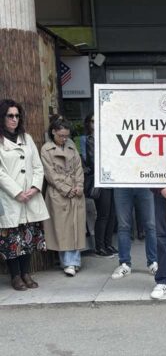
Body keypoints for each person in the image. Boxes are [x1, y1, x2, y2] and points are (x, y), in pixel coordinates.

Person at [0, 99, 49, 290]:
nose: (14, 119)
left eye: (17, 116)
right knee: (12, 239)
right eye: (10, 116)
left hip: (30, 197)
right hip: (9, 198)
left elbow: (38, 166)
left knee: (28, 236)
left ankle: (26, 273)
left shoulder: (26, 138)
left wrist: (35, 188)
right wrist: (17, 192)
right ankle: (15, 276)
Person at [41, 118, 86, 276]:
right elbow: (50, 175)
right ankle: (69, 262)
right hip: (59, 193)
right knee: (63, 229)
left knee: (76, 227)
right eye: (61, 135)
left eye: (66, 136)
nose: (64, 139)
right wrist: (66, 189)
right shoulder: (46, 150)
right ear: (53, 132)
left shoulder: (71, 146)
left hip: (75, 191)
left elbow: (79, 168)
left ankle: (74, 261)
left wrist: (79, 186)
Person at [81, 114, 117, 257]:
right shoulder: (88, 139)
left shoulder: (107, 137)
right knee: (103, 214)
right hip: (99, 179)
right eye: (92, 121)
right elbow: (91, 160)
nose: (95, 124)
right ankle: (99, 246)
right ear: (88, 123)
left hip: (111, 178)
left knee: (112, 214)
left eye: (98, 121)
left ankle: (108, 244)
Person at [111, 187, 158, 279]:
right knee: (123, 226)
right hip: (122, 185)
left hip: (144, 184)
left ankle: (153, 262)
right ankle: (124, 263)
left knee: (150, 225)